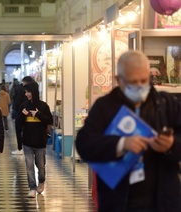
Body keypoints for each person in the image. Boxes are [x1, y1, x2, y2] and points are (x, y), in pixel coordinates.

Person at [76, 50, 181, 212]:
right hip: (118, 201)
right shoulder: (105, 107)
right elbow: (84, 143)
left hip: (162, 200)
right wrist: (121, 143)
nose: (139, 86)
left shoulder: (167, 104)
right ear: (119, 80)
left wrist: (172, 145)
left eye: (144, 80)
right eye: (133, 82)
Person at [16, 81, 52, 198]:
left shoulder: (43, 106)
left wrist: (38, 114)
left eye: (29, 92)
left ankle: (41, 181)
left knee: (41, 167)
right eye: (26, 92)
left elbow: (49, 120)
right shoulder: (24, 105)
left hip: (40, 142)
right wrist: (23, 115)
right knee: (29, 165)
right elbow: (18, 124)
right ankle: (32, 187)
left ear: (34, 92)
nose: (27, 94)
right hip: (27, 142)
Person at [11, 76, 35, 155]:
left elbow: (17, 102)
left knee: (19, 130)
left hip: (21, 113)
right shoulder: (35, 89)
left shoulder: (22, 89)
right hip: (32, 114)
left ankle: (20, 148)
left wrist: (17, 110)